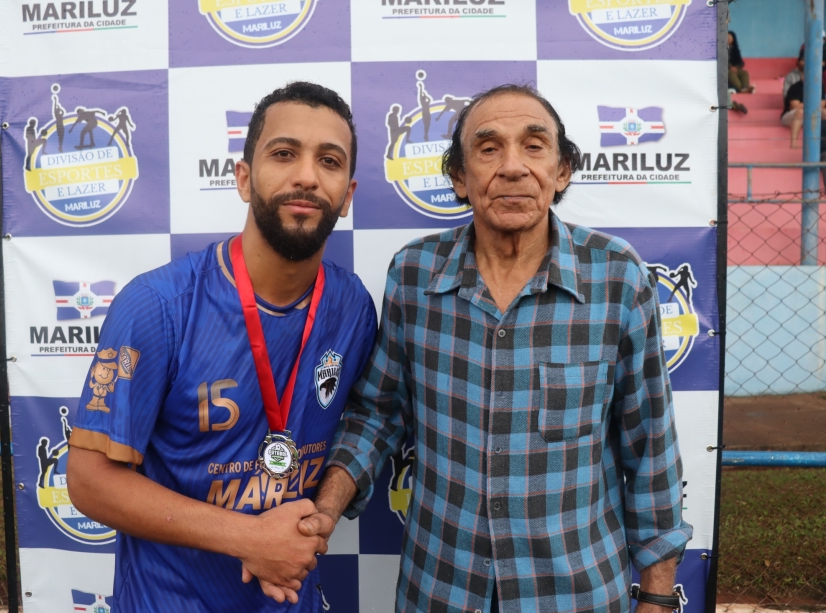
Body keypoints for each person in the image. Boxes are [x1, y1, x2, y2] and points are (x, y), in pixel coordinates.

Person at [297, 84, 693, 613]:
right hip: (440, 588)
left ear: (562, 171)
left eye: (534, 146)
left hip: (578, 593)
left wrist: (660, 597)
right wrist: (326, 507)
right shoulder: (414, 275)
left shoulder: (616, 276)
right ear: (459, 178)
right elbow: (377, 413)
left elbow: (650, 445)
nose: (512, 167)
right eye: (488, 148)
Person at [66, 82, 378, 612]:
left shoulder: (352, 307)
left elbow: (369, 419)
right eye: (283, 154)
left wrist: (322, 512)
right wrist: (249, 538)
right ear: (243, 178)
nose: (306, 175)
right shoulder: (157, 305)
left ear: (346, 195)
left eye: (328, 161)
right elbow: (89, 481)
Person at [782, 74, 826, 148]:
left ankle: (820, 144)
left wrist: (804, 104)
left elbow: (822, 104)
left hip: (811, 114)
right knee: (800, 112)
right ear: (802, 76)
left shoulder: (819, 86)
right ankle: (793, 143)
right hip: (791, 116)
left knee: (825, 112)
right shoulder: (795, 87)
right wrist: (814, 103)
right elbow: (795, 106)